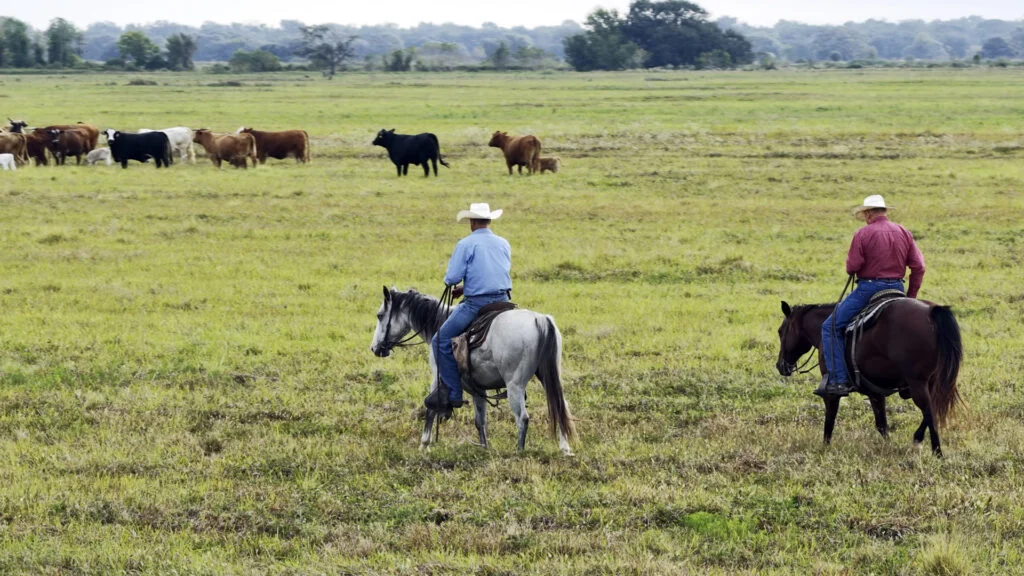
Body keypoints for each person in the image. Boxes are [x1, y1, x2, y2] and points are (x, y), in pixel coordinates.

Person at [817, 195, 925, 397]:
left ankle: (838, 381)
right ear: (884, 211)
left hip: (869, 289)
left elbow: (853, 267)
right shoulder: (904, 232)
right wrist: (910, 297)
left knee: (830, 327)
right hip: (897, 288)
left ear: (867, 214)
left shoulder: (863, 233)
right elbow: (919, 267)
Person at [428, 203, 512, 410]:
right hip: (504, 300)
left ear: (472, 222)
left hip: (477, 304)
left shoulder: (466, 244)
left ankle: (454, 393)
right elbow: (493, 273)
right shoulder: (503, 243)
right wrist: (466, 288)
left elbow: (452, 277)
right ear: (489, 221)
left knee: (440, 340)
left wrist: (456, 284)